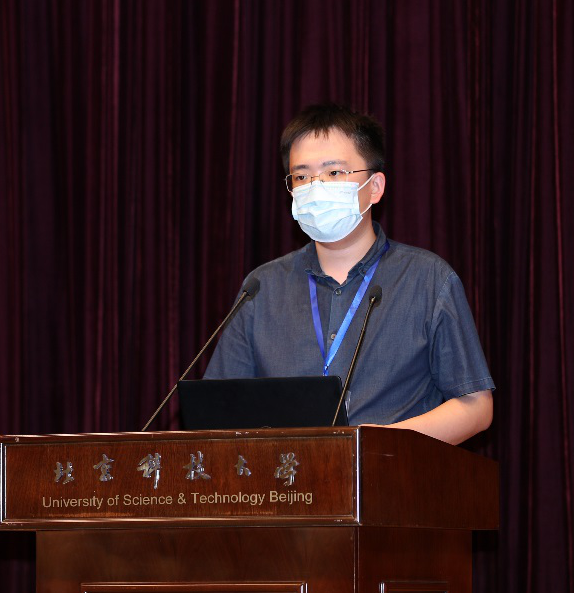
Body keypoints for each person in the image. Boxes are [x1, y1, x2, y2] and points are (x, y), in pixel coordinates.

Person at [204, 103, 494, 444]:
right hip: (288, 476)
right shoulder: (261, 288)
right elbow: (217, 410)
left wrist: (376, 445)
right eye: (302, 177)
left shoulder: (428, 279)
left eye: (334, 173)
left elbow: (476, 407)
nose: (316, 187)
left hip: (391, 473)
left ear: (374, 187)